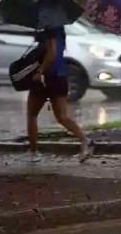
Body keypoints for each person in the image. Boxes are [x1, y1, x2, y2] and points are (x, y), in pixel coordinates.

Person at [27, 26, 93, 162]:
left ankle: (33, 152)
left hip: (47, 77)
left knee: (32, 114)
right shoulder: (58, 28)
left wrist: (40, 71)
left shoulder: (49, 27)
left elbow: (52, 53)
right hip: (59, 76)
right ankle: (86, 141)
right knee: (62, 117)